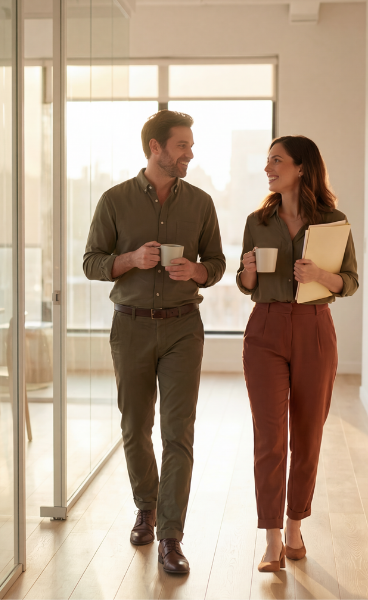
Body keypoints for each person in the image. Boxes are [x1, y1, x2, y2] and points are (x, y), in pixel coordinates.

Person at [83, 110, 226, 574]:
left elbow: (218, 263)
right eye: (181, 145)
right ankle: (145, 506)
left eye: (189, 145)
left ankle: (170, 535)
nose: (189, 153)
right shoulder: (114, 200)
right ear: (155, 149)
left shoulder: (201, 203)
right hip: (131, 327)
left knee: (178, 432)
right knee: (135, 426)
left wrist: (197, 271)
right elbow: (91, 262)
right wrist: (130, 259)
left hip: (184, 326)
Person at [237, 135, 358, 572]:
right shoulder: (257, 220)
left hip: (314, 328)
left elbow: (350, 281)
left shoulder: (333, 221)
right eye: (267, 160)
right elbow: (244, 282)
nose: (268, 167)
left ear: (301, 167)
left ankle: (294, 527)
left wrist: (321, 274)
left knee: (307, 437)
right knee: (270, 438)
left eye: (277, 160)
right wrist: (247, 273)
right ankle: (271, 539)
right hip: (265, 328)